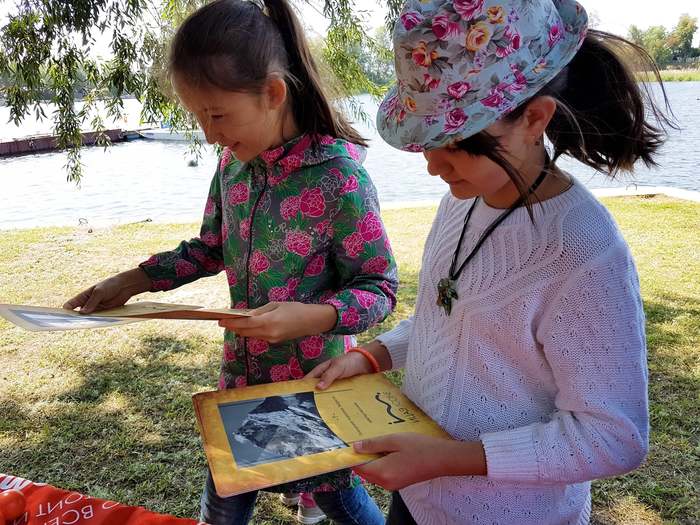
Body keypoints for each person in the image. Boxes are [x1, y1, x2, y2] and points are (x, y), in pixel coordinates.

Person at [308, 0, 673, 523]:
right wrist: (371, 356)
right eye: (427, 141)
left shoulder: (583, 254)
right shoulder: (462, 200)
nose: (434, 165)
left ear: (534, 118)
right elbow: (450, 320)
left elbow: (613, 436)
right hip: (418, 497)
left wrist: (449, 459)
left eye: (457, 141)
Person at [63, 0, 398, 524]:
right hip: (241, 379)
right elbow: (210, 248)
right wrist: (133, 280)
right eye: (198, 116)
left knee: (336, 496)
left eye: (217, 115)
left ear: (273, 93)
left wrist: (313, 316)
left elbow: (379, 287)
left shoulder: (340, 179)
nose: (209, 134)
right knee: (225, 493)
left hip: (312, 384)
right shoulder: (233, 165)